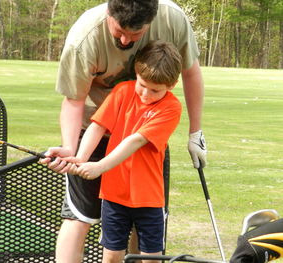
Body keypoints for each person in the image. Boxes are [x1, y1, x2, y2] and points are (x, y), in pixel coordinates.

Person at [40, 0, 207, 262]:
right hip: (92, 132)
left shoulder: (173, 19)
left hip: (146, 142)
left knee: (145, 221)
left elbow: (191, 73)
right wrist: (73, 153)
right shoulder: (84, 39)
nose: (126, 41)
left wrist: (195, 133)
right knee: (80, 217)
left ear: (151, 21)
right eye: (119, 32)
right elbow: (74, 101)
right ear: (109, 12)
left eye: (136, 34)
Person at [64, 40, 183, 263]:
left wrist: (99, 166)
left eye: (155, 90)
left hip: (149, 199)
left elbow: (135, 141)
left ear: (172, 85)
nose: (146, 94)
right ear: (136, 73)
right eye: (142, 84)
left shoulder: (171, 107)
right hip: (113, 195)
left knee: (150, 258)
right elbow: (97, 126)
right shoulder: (122, 92)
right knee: (111, 256)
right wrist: (80, 158)